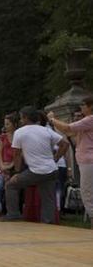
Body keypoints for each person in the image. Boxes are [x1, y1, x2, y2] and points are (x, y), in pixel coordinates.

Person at [2, 106, 69, 223]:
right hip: (52, 169)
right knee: (48, 198)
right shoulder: (46, 130)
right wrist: (55, 159)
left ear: (26, 118)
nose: (20, 121)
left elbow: (16, 154)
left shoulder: (19, 132)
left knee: (10, 185)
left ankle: (13, 215)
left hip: (35, 171)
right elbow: (65, 144)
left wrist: (17, 172)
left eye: (21, 118)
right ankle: (48, 223)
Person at [49, 95, 93, 228]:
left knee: (87, 192)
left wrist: (52, 119)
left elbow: (67, 128)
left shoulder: (90, 119)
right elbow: (70, 133)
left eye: (84, 105)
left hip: (88, 160)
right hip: (87, 160)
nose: (81, 108)